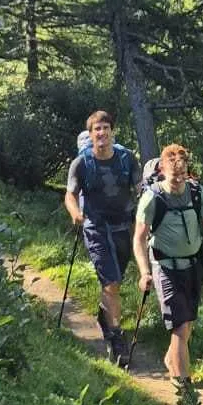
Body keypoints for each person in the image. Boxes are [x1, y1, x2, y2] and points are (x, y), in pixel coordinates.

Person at [133, 144, 203, 384]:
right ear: (161, 169)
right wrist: (144, 272)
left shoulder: (199, 193)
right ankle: (184, 385)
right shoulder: (152, 198)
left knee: (187, 323)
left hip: (192, 265)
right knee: (179, 325)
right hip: (164, 266)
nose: (178, 179)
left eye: (182, 174)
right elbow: (138, 239)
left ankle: (172, 359)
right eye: (173, 174)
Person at [64, 110, 142, 366]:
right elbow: (70, 194)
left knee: (115, 281)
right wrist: (76, 213)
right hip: (96, 228)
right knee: (112, 283)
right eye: (97, 129)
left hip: (123, 228)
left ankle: (104, 318)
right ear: (90, 134)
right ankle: (117, 339)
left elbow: (140, 188)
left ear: (112, 131)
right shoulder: (82, 163)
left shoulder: (127, 158)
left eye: (106, 128)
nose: (102, 133)